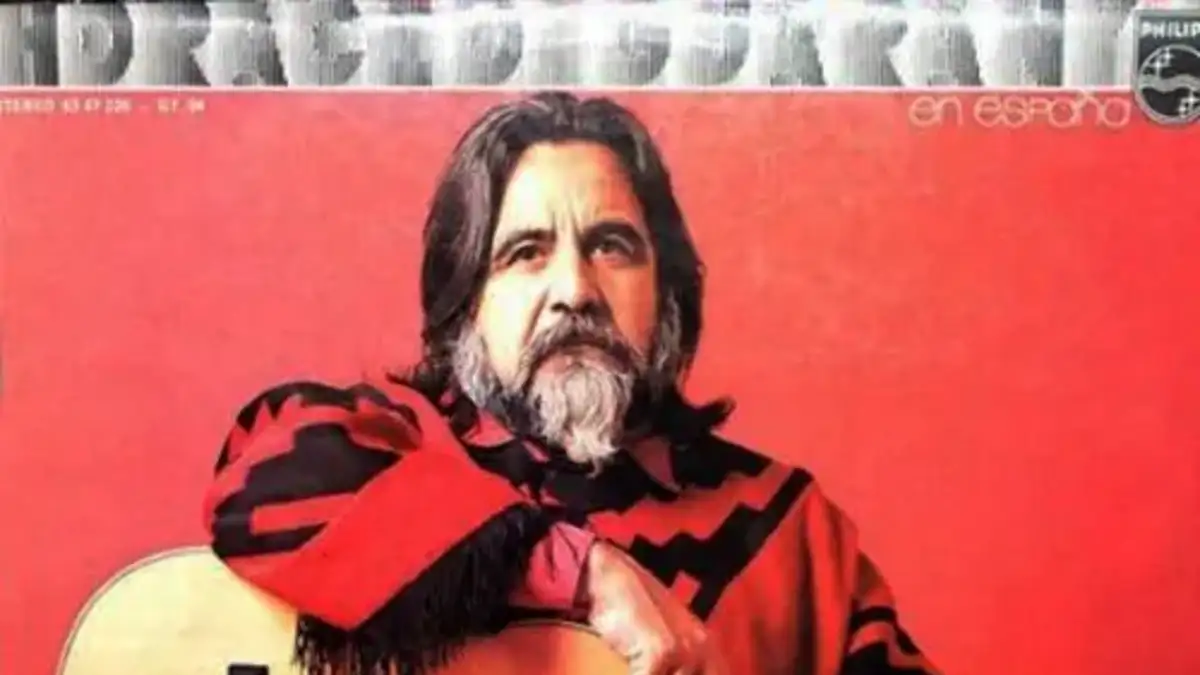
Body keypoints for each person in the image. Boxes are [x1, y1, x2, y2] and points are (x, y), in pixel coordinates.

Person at [202, 91, 941, 675]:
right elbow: (258, 485)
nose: (575, 291)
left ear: (667, 293)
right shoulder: (403, 443)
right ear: (467, 298)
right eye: (526, 252)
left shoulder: (788, 534)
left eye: (611, 247)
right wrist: (580, 570)